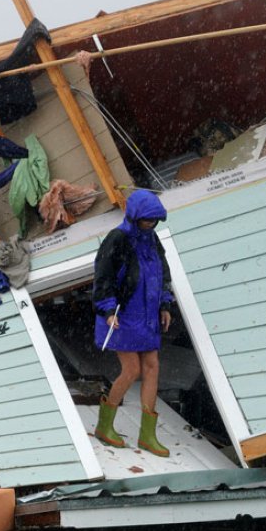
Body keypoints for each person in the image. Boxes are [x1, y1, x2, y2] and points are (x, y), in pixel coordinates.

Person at [91, 189, 174, 457]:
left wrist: (164, 304)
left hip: (147, 314)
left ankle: (148, 435)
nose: (150, 224)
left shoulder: (152, 239)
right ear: (134, 216)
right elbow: (102, 276)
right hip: (121, 314)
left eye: (154, 220)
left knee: (152, 367)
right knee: (131, 370)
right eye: (146, 220)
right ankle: (105, 426)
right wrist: (107, 309)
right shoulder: (117, 238)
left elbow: (162, 273)